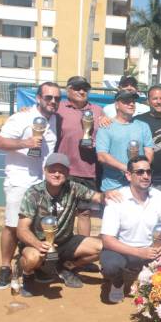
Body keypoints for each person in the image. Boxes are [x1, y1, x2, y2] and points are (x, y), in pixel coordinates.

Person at [15, 153, 119, 297]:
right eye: (52, 170)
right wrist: (38, 244)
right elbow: (22, 230)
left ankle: (67, 266)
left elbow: (97, 197)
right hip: (37, 244)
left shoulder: (73, 188)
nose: (57, 174)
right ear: (45, 171)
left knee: (104, 248)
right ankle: (28, 273)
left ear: (68, 173)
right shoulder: (33, 193)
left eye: (61, 170)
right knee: (32, 258)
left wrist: (107, 195)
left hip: (66, 241)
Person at [0, 82, 60, 289]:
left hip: (42, 182)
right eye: (48, 97)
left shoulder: (56, 118)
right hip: (20, 180)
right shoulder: (21, 118)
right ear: (38, 98)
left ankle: (33, 266)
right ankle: (5, 267)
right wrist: (26, 143)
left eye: (57, 98)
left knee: (40, 226)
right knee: (13, 225)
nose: (53, 102)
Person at [100, 156, 161, 304]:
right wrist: (139, 252)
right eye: (140, 172)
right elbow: (107, 240)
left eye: (148, 172)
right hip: (125, 251)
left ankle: (153, 281)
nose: (145, 176)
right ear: (129, 175)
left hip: (153, 250)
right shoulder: (116, 199)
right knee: (110, 265)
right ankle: (117, 283)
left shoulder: (160, 197)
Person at [56, 76, 105, 237]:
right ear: (68, 90)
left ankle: (82, 251)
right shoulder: (58, 108)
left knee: (84, 213)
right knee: (62, 212)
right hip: (64, 171)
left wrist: (95, 143)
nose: (82, 91)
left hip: (88, 170)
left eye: (85, 88)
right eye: (77, 88)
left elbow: (105, 135)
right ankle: (59, 250)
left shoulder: (98, 110)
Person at [95, 90, 154, 191]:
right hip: (113, 187)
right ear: (117, 105)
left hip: (139, 187)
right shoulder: (106, 126)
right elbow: (102, 156)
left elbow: (149, 151)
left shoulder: (143, 126)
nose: (131, 104)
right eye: (126, 101)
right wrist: (127, 168)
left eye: (133, 101)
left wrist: (140, 169)